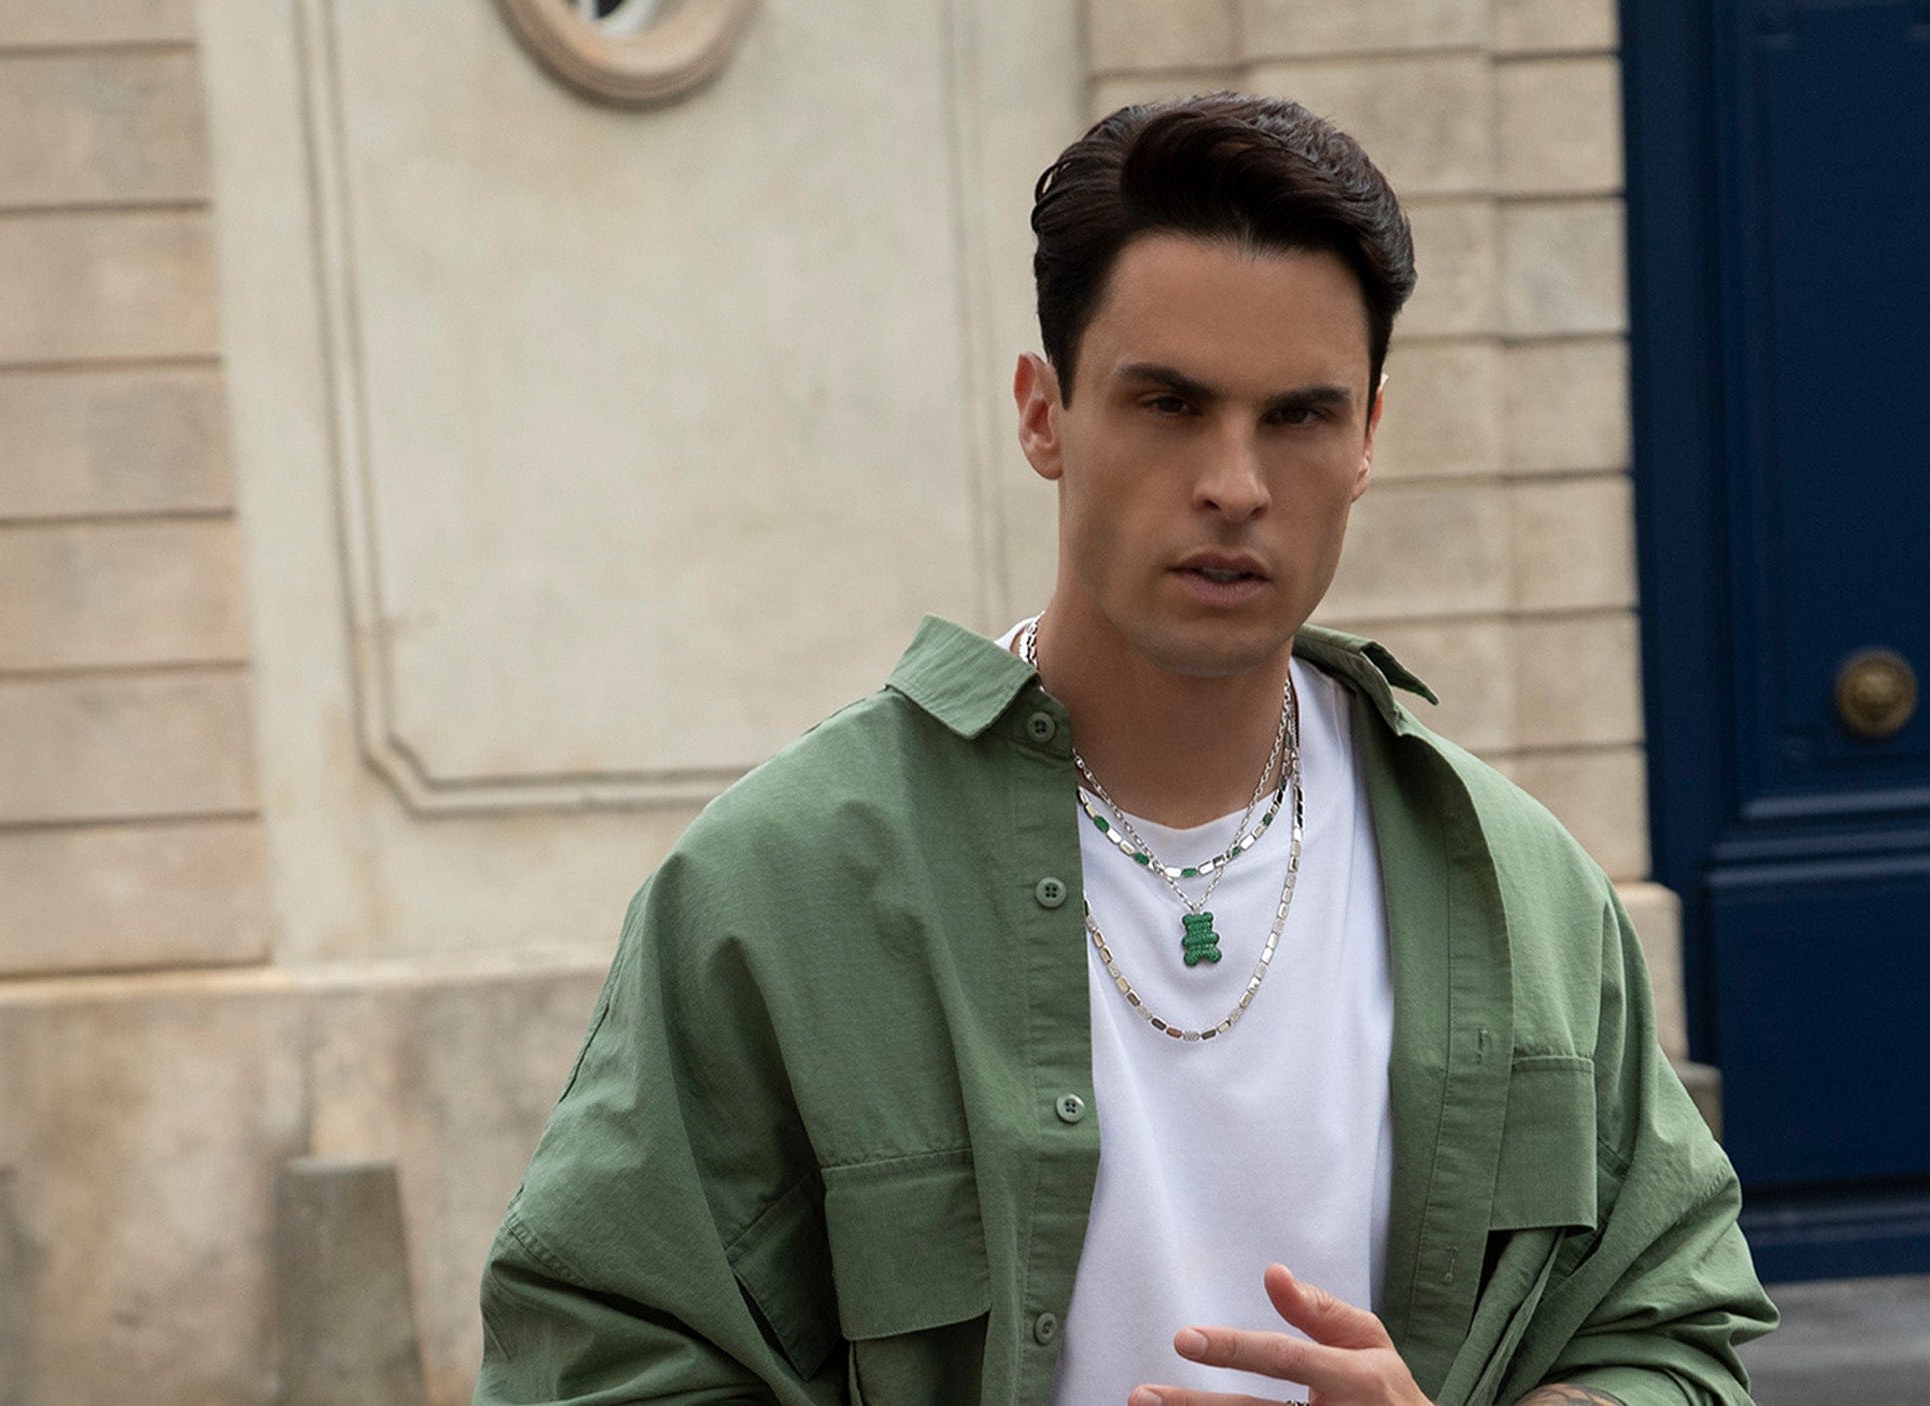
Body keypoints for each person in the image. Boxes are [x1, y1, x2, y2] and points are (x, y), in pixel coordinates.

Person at [474, 93, 1777, 1406]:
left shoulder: (1524, 890)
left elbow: (1667, 1335)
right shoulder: (778, 889)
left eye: (1299, 417)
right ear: (1043, 413)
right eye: (1169, 403)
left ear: (1369, 437)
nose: (1236, 485)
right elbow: (603, 1362)